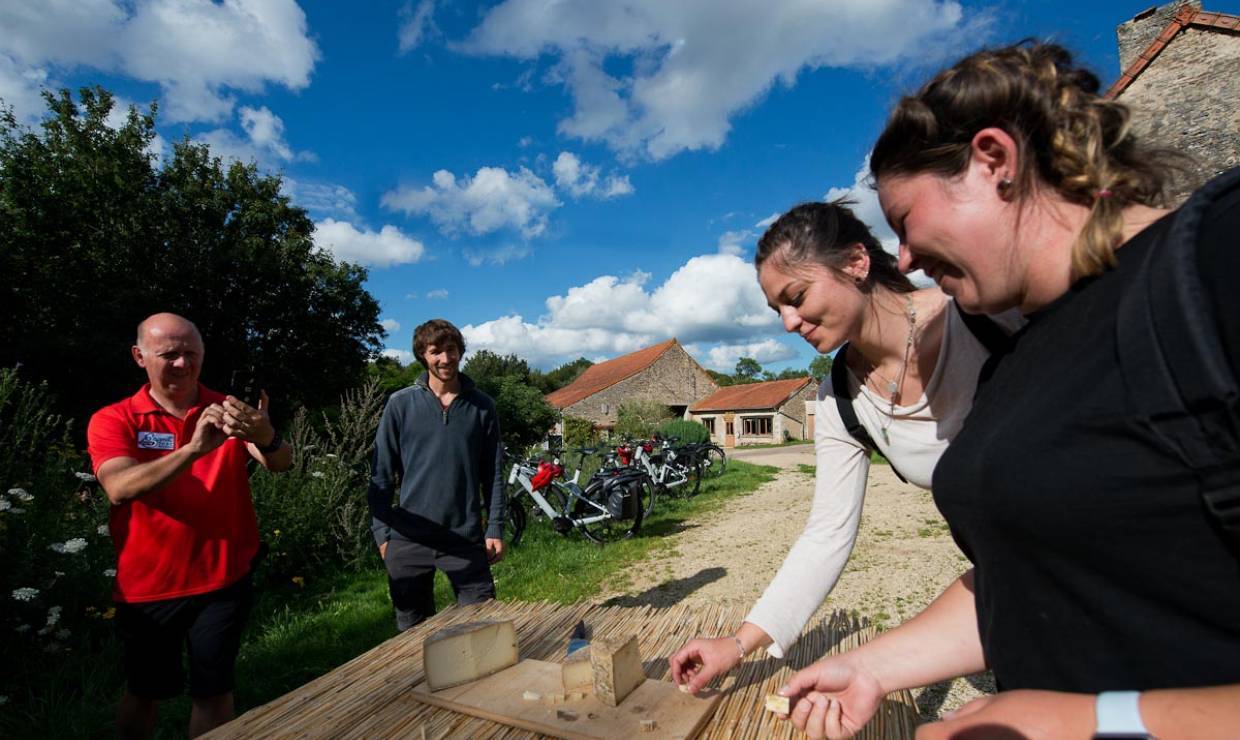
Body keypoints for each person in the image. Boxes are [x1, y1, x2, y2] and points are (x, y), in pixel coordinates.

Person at [779, 42, 1240, 739]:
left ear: (995, 162)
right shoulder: (1021, 350)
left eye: (905, 222)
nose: (901, 258)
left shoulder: (1215, 263)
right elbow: (1043, 573)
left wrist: (1085, 723)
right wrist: (875, 666)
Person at [670, 201, 1017, 694]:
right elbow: (827, 534)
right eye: (777, 311)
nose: (788, 323)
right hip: (1016, 602)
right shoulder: (841, 398)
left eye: (796, 296)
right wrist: (739, 644)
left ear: (857, 262)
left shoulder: (985, 315)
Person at [87, 313, 292, 740]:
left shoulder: (225, 408)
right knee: (146, 692)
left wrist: (267, 435)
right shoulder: (116, 418)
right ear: (139, 357)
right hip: (149, 586)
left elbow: (279, 464)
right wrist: (195, 449)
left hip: (223, 578)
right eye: (169, 355)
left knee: (214, 693)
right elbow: (120, 487)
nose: (182, 364)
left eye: (191, 354)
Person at [368, 318, 506, 631]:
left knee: (484, 628)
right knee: (413, 634)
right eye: (435, 352)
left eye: (451, 349)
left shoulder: (482, 407)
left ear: (460, 352)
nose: (445, 358)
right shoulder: (400, 405)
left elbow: (493, 473)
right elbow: (381, 475)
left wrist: (494, 526)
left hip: (465, 535)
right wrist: (382, 536)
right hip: (409, 538)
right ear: (423, 356)